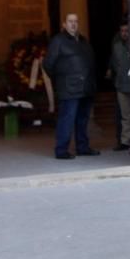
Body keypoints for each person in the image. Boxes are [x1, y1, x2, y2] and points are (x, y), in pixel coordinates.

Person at [43, 13, 99, 159]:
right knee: (66, 119)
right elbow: (48, 64)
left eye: (75, 21)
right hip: (68, 88)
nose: (73, 24)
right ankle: (61, 150)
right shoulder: (58, 41)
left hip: (85, 87)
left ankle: (82, 147)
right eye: (70, 21)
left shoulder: (83, 40)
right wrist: (60, 81)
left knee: (83, 119)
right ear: (64, 24)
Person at [108, 23, 130, 152]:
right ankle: (125, 141)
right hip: (121, 84)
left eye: (126, 30)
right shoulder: (116, 46)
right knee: (125, 115)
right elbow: (113, 63)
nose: (124, 33)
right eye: (122, 30)